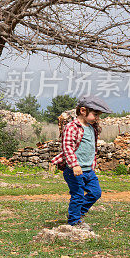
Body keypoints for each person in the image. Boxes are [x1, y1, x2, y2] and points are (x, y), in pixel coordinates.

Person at [50, 95, 113, 230]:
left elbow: (91, 148)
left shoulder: (91, 128)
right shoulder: (72, 127)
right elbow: (67, 148)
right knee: (77, 195)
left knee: (96, 193)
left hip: (88, 170)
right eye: (95, 114)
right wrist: (75, 165)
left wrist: (92, 165)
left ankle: (78, 213)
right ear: (83, 111)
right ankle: (74, 222)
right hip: (74, 170)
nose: (97, 118)